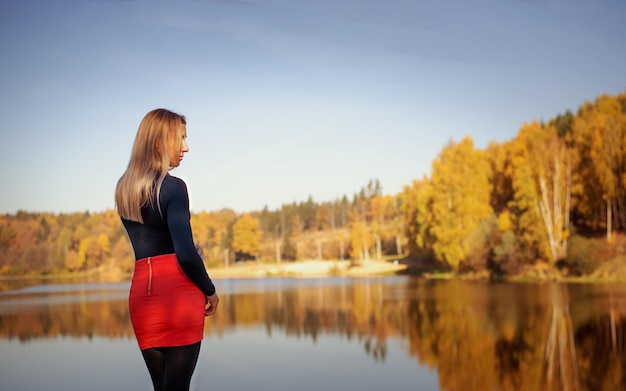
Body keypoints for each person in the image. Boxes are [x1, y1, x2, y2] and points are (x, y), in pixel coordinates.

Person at [115, 108, 219, 391]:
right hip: (179, 295)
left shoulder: (124, 189)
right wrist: (210, 290)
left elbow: (155, 242)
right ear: (159, 142)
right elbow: (185, 255)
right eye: (181, 138)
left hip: (143, 293)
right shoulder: (174, 188)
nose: (186, 147)